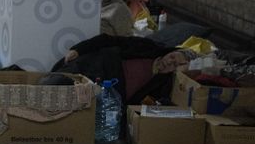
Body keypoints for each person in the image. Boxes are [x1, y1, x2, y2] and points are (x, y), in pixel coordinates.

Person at [54, 35, 199, 105]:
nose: (169, 62)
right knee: (57, 83)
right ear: (168, 52)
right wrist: (79, 49)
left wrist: (182, 72)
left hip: (108, 98)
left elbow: (167, 103)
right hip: (99, 67)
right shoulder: (147, 47)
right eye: (172, 57)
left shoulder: (163, 85)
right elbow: (109, 39)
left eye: (175, 65)